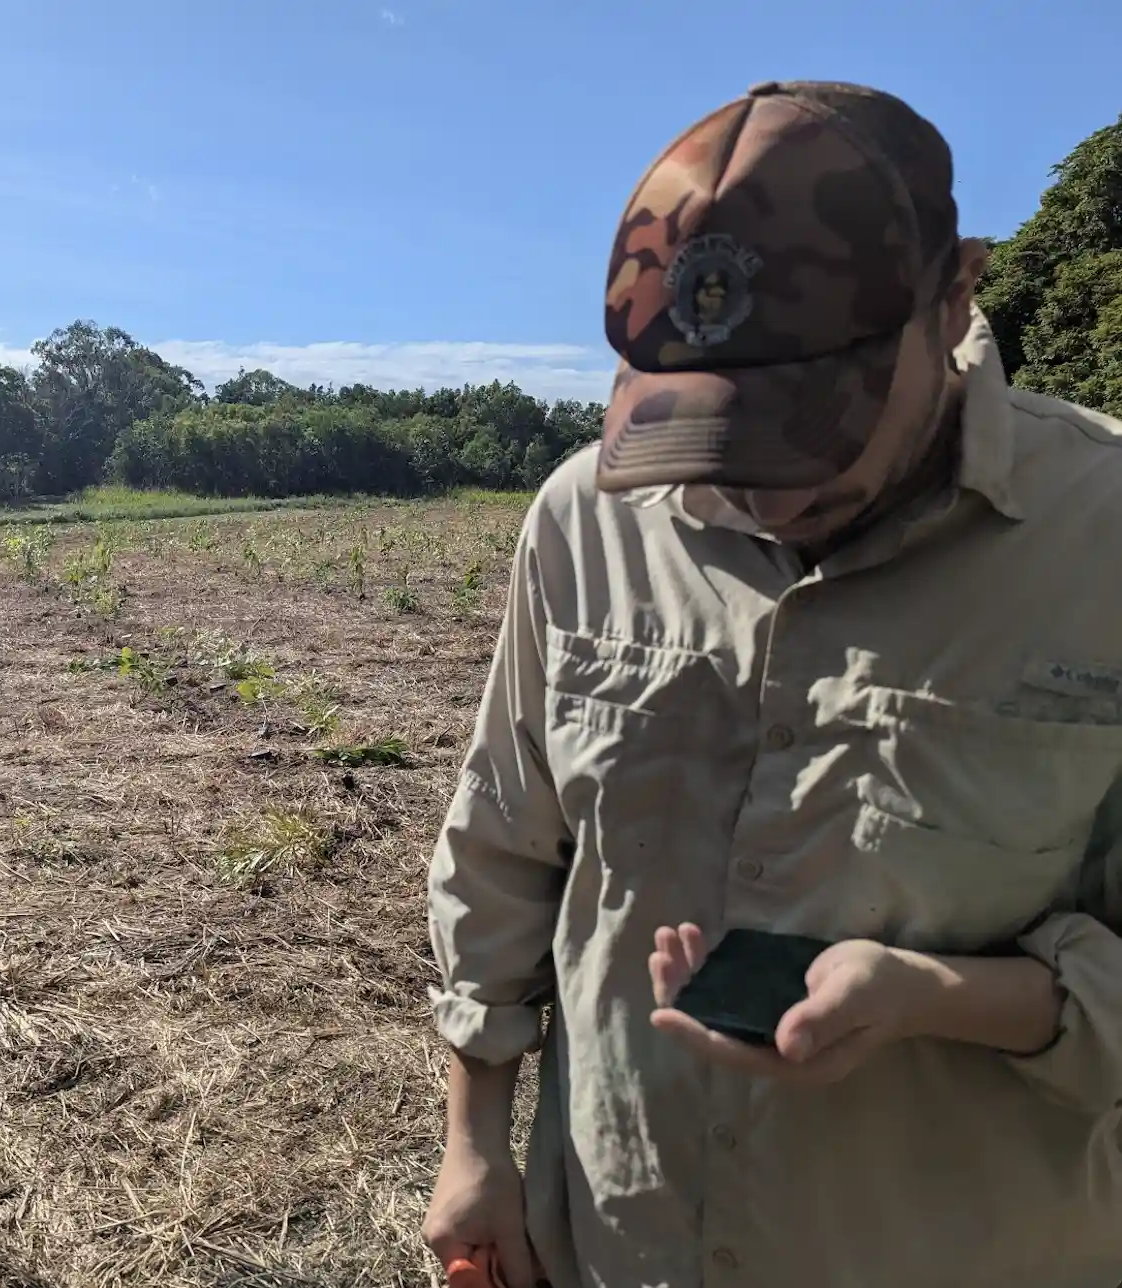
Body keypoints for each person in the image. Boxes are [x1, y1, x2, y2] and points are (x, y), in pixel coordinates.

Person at [423, 80, 1122, 1288]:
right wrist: (472, 1135)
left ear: (953, 292)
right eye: (705, 422)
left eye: (812, 420)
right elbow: (504, 842)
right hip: (619, 1242)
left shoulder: (1099, 537)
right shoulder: (585, 522)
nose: (762, 490)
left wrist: (941, 995)